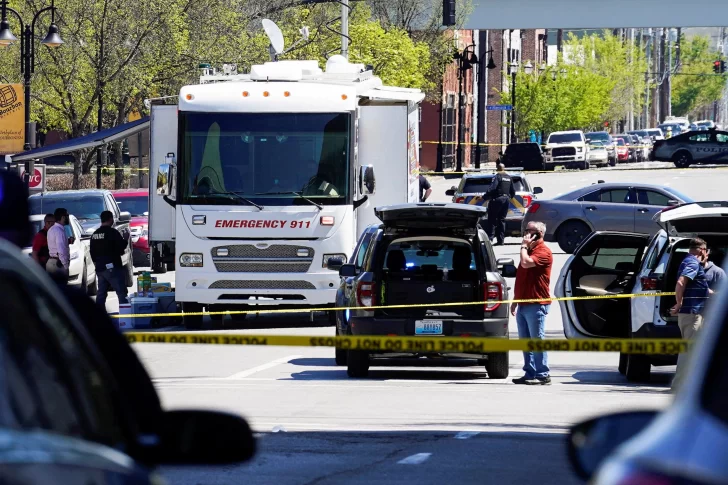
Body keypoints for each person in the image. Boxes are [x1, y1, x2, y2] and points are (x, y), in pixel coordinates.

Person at [0, 170, 163, 443]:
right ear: (28, 232)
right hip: (52, 460)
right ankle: (122, 307)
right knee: (117, 294)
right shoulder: (62, 309)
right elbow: (139, 401)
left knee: (102, 295)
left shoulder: (65, 304)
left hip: (99, 268)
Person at [511, 221, 553, 385]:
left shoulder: (544, 252)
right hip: (523, 303)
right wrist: (516, 300)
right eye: (525, 230)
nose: (526, 233)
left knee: (536, 339)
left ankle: (543, 374)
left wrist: (523, 246)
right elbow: (522, 278)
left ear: (539, 233)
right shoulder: (528, 250)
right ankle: (530, 372)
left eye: (530, 231)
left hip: (536, 303)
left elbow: (526, 263)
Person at [670, 238, 710, 376]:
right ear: (702, 250)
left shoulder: (692, 262)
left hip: (694, 312)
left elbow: (696, 285)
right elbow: (681, 283)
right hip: (692, 312)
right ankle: (680, 385)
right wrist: (679, 303)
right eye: (706, 250)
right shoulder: (692, 263)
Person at [91, 210, 129, 310]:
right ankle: (125, 317)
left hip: (100, 268)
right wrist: (125, 238)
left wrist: (98, 265)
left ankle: (99, 317)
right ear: (111, 219)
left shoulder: (95, 234)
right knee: (121, 292)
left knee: (101, 294)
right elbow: (121, 248)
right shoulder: (112, 232)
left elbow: (92, 253)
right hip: (113, 267)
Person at [484, 163, 516, 246]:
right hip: (506, 200)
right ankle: (501, 241)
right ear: (504, 168)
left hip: (497, 199)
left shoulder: (497, 176)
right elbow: (513, 192)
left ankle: (490, 239)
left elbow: (492, 188)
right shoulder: (509, 177)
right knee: (502, 220)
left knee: (492, 219)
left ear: (497, 168)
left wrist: (485, 197)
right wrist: (508, 197)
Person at [46, 207, 71, 279]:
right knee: (61, 289)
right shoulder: (59, 231)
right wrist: (65, 266)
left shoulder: (51, 229)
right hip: (58, 264)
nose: (68, 218)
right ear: (63, 217)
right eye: (67, 216)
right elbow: (61, 249)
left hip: (51, 262)